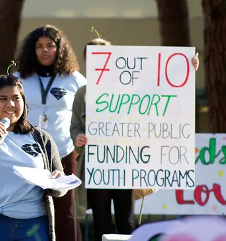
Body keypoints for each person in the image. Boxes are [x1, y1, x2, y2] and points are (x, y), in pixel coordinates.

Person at [70, 38, 200, 241]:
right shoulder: (83, 93)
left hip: (125, 164)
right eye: (93, 58)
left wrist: (185, 69)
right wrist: (77, 138)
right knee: (100, 221)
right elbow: (75, 126)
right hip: (97, 165)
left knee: (126, 222)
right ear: (87, 61)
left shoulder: (131, 87)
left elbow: (161, 88)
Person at [0, 74, 67, 241]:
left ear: (23, 103)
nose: (10, 104)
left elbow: (59, 189)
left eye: (16, 98)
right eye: (2, 99)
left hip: (35, 224)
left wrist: (58, 180)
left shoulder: (41, 138)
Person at [13, 25, 86, 241]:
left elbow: (99, 105)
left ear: (59, 49)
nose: (45, 50)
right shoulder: (19, 78)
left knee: (65, 212)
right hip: (28, 153)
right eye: (39, 46)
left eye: (50, 46)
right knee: (30, 211)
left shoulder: (75, 79)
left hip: (64, 152)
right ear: (32, 50)